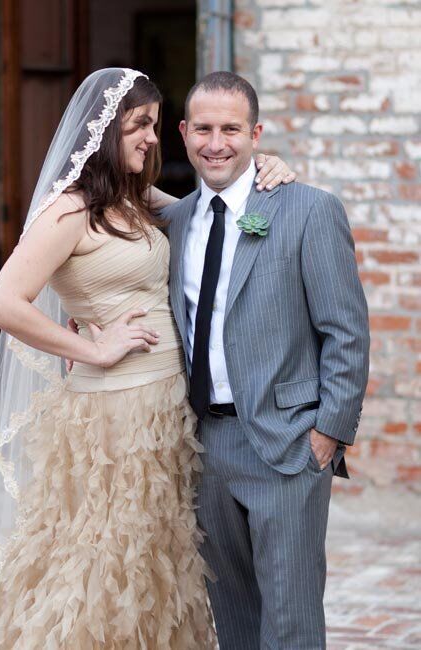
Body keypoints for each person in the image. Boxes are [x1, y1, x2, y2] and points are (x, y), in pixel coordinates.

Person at [0, 68, 295, 649]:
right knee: (100, 566)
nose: (152, 138)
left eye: (154, 125)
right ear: (106, 132)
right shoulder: (71, 209)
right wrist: (92, 348)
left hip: (165, 415)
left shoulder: (135, 199)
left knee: (152, 564)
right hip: (112, 420)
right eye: (139, 126)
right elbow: (3, 302)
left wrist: (264, 168)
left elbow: (213, 218)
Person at [164, 71, 370, 649]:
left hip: (287, 446)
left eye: (231, 128)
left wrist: (327, 434)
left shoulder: (309, 210)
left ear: (255, 133)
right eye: (203, 128)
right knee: (233, 617)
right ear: (183, 133)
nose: (216, 143)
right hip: (206, 446)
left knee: (291, 621)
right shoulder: (175, 222)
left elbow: (346, 332)